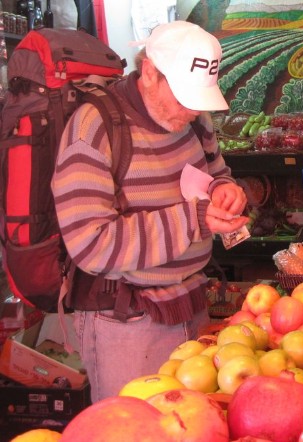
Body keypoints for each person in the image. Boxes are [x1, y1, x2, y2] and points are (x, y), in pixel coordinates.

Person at [51, 20, 249, 402]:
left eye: (199, 98)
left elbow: (216, 171)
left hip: (191, 305)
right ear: (149, 73)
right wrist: (195, 219)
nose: (192, 109)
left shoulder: (196, 120)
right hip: (126, 322)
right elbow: (91, 245)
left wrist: (225, 191)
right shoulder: (94, 129)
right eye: (182, 97)